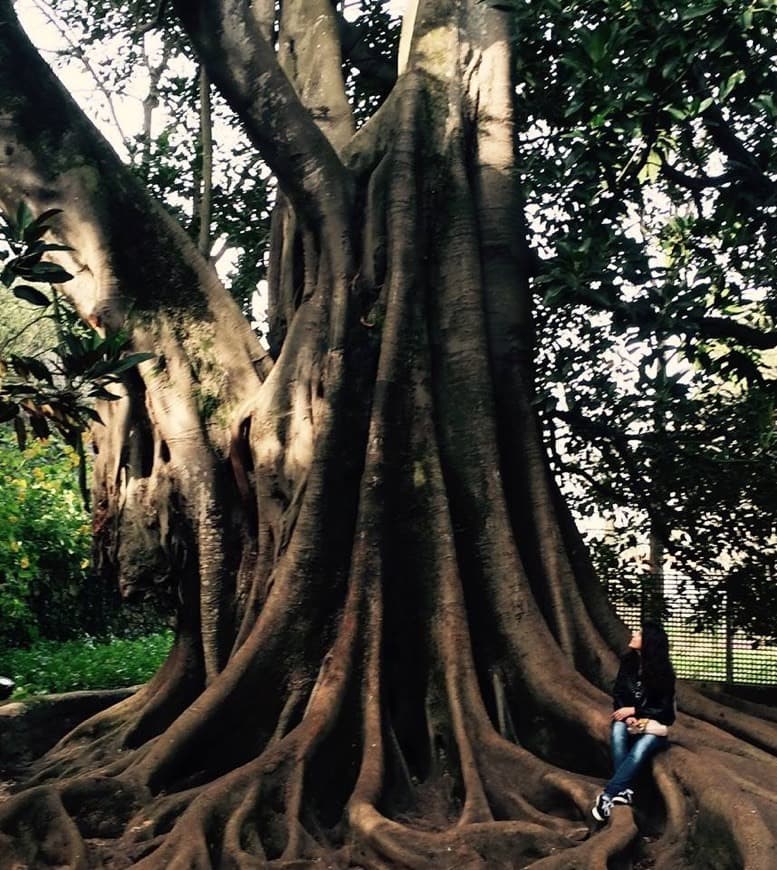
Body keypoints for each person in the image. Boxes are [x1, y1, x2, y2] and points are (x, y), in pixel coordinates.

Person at [592, 621, 676, 822]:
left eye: (639, 634)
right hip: (631, 721)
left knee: (641, 748)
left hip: (653, 728)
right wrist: (628, 715)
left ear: (648, 643)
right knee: (618, 730)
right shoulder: (629, 663)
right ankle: (625, 789)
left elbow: (666, 712)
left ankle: (609, 795)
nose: (634, 635)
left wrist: (636, 710)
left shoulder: (664, 673)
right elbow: (619, 693)